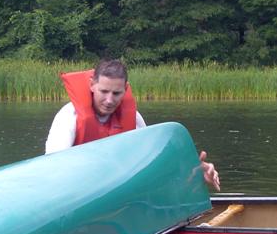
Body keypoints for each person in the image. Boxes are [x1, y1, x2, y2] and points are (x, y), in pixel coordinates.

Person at [45, 59, 221, 191]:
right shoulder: (69, 117)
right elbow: (53, 170)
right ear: (92, 85)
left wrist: (191, 171)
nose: (109, 100)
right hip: (78, 190)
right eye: (104, 91)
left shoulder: (134, 119)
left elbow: (151, 164)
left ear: (126, 89)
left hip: (116, 190)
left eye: (116, 93)